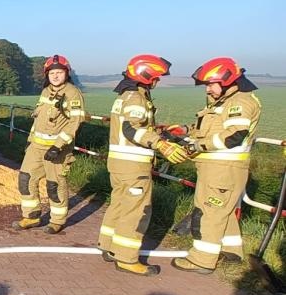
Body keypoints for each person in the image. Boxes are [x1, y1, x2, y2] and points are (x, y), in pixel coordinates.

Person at [98, 54, 190, 276]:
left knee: (120, 204)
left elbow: (133, 127)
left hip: (119, 164)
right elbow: (131, 129)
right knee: (136, 211)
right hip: (133, 165)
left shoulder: (126, 95)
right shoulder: (136, 98)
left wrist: (162, 133)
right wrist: (162, 145)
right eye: (157, 77)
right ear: (147, 76)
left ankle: (110, 246)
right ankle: (127, 258)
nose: (158, 81)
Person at [172, 58, 262, 274]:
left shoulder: (239, 102)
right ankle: (231, 251)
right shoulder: (224, 101)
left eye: (211, 84)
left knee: (210, 212)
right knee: (225, 210)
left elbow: (233, 136)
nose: (208, 89)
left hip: (224, 169)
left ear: (227, 81)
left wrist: (196, 145)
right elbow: (211, 128)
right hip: (218, 168)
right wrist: (185, 130)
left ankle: (202, 260)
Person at [14, 54, 85, 233]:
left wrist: (58, 146)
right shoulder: (46, 91)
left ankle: (57, 221)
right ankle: (31, 216)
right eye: (52, 73)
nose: (55, 76)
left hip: (56, 149)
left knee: (54, 185)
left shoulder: (72, 93)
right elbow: (38, 119)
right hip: (36, 147)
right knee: (25, 179)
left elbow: (75, 122)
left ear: (66, 73)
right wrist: (30, 142)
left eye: (59, 72)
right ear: (47, 74)